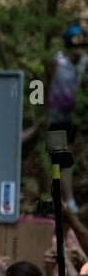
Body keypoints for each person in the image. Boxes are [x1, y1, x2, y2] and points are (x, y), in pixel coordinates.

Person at [50, 24, 88, 212]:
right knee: (57, 158)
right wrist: (37, 106)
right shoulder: (57, 61)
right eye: (76, 45)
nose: (80, 49)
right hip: (54, 117)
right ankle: (57, 200)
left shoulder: (84, 62)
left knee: (68, 157)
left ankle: (69, 201)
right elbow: (38, 82)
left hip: (72, 116)